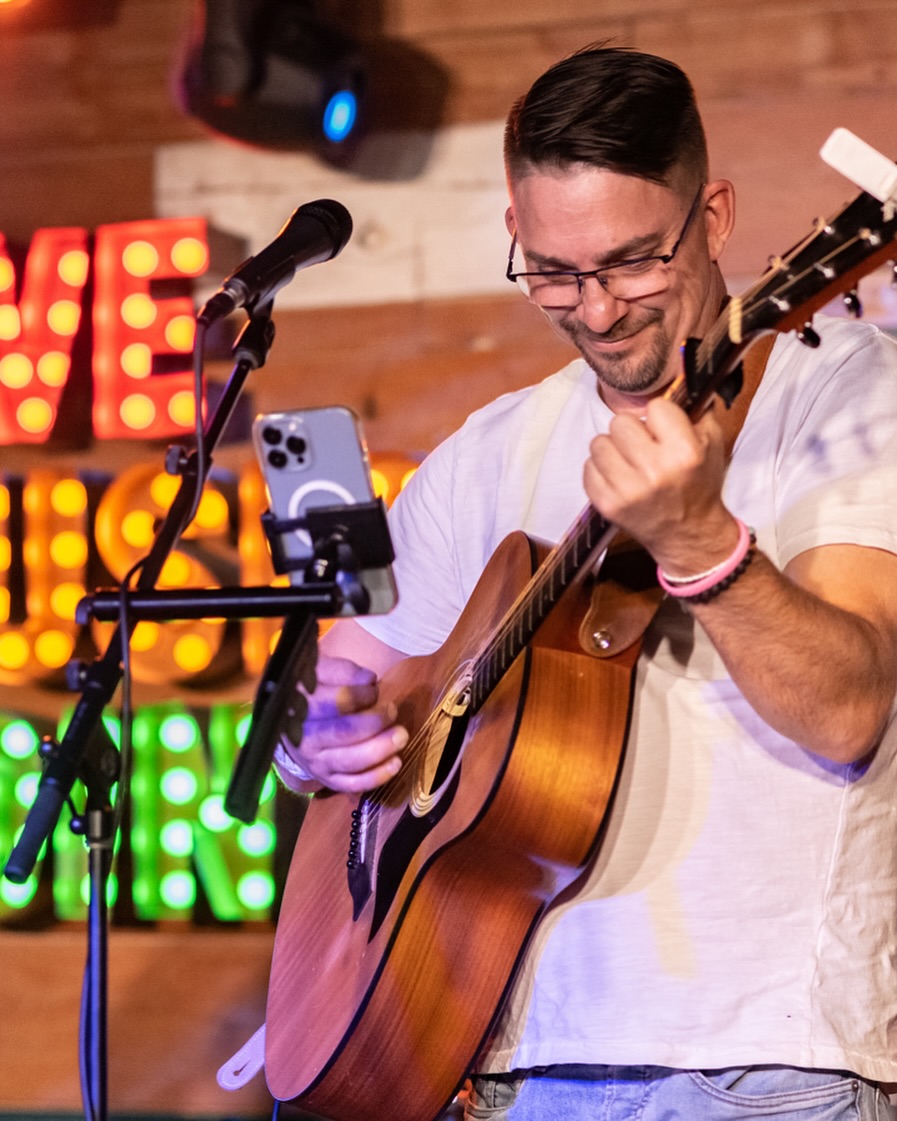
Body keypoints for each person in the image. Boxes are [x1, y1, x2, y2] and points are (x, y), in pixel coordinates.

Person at [272, 45, 897, 1120]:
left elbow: (847, 710)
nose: (598, 311)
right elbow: (342, 681)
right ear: (516, 234)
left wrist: (702, 542)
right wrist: (316, 734)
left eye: (631, 263)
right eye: (555, 273)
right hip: (512, 1054)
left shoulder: (849, 392)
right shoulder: (490, 447)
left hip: (765, 1054)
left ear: (714, 218)